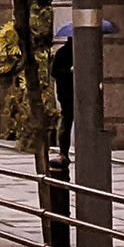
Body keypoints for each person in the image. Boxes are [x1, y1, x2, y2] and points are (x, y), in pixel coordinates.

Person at [52, 30, 74, 166]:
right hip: (67, 92)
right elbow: (54, 72)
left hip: (71, 92)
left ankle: (64, 152)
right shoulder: (63, 53)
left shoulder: (84, 52)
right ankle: (63, 151)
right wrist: (68, 71)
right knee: (67, 122)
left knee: (67, 122)